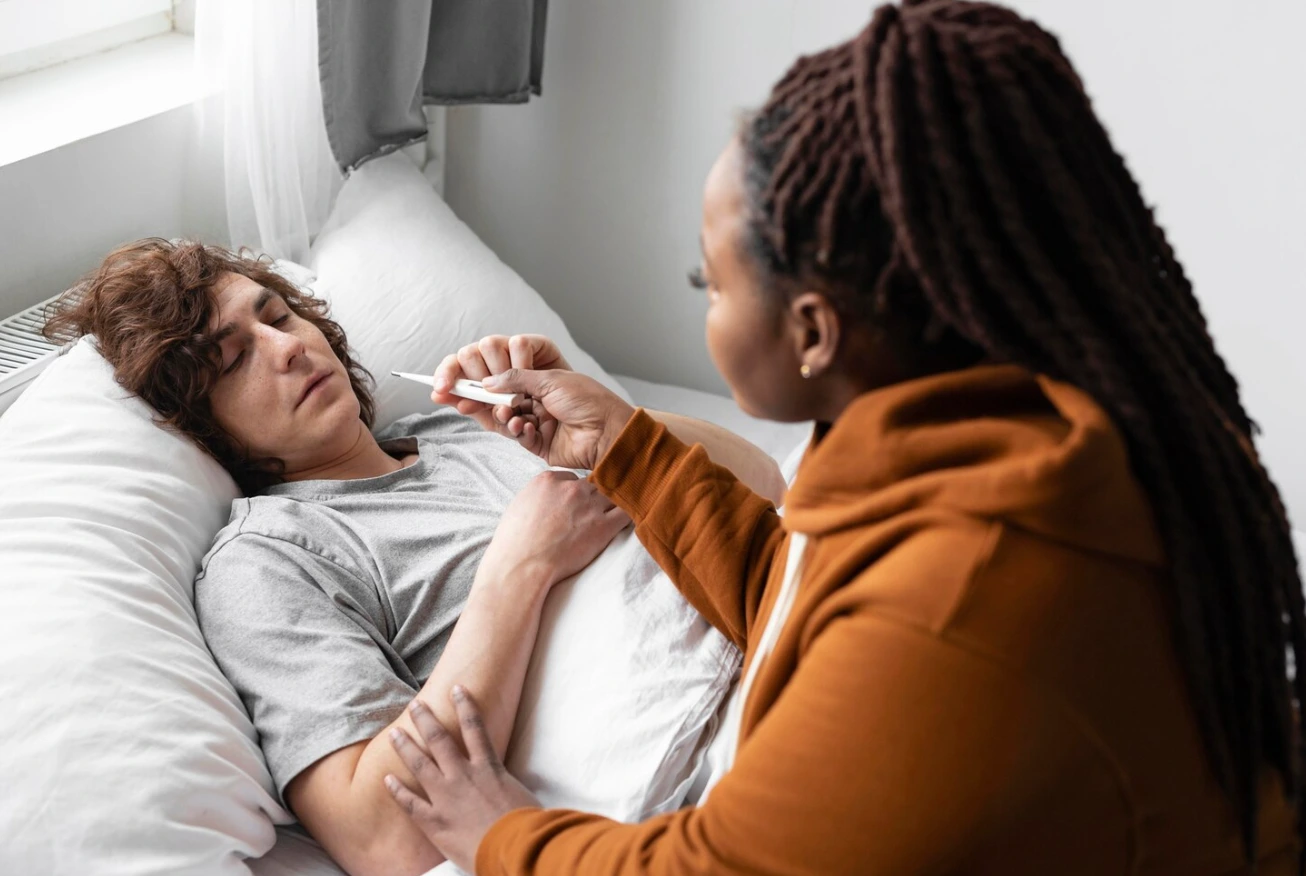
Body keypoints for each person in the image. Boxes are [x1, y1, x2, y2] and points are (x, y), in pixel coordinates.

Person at [380, 2, 1306, 874]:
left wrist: (501, 830)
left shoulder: (960, 604)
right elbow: (800, 596)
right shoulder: (993, 430)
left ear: (816, 332)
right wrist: (620, 447)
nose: (703, 298)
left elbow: (717, 866)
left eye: (711, 284)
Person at [42, 239, 785, 876]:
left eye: (278, 315)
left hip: (785, 627)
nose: (289, 347)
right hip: (720, 763)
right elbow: (379, 834)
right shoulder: (267, 560)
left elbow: (760, 481)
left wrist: (611, 426)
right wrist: (519, 567)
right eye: (236, 360)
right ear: (205, 429)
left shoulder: (471, 423)